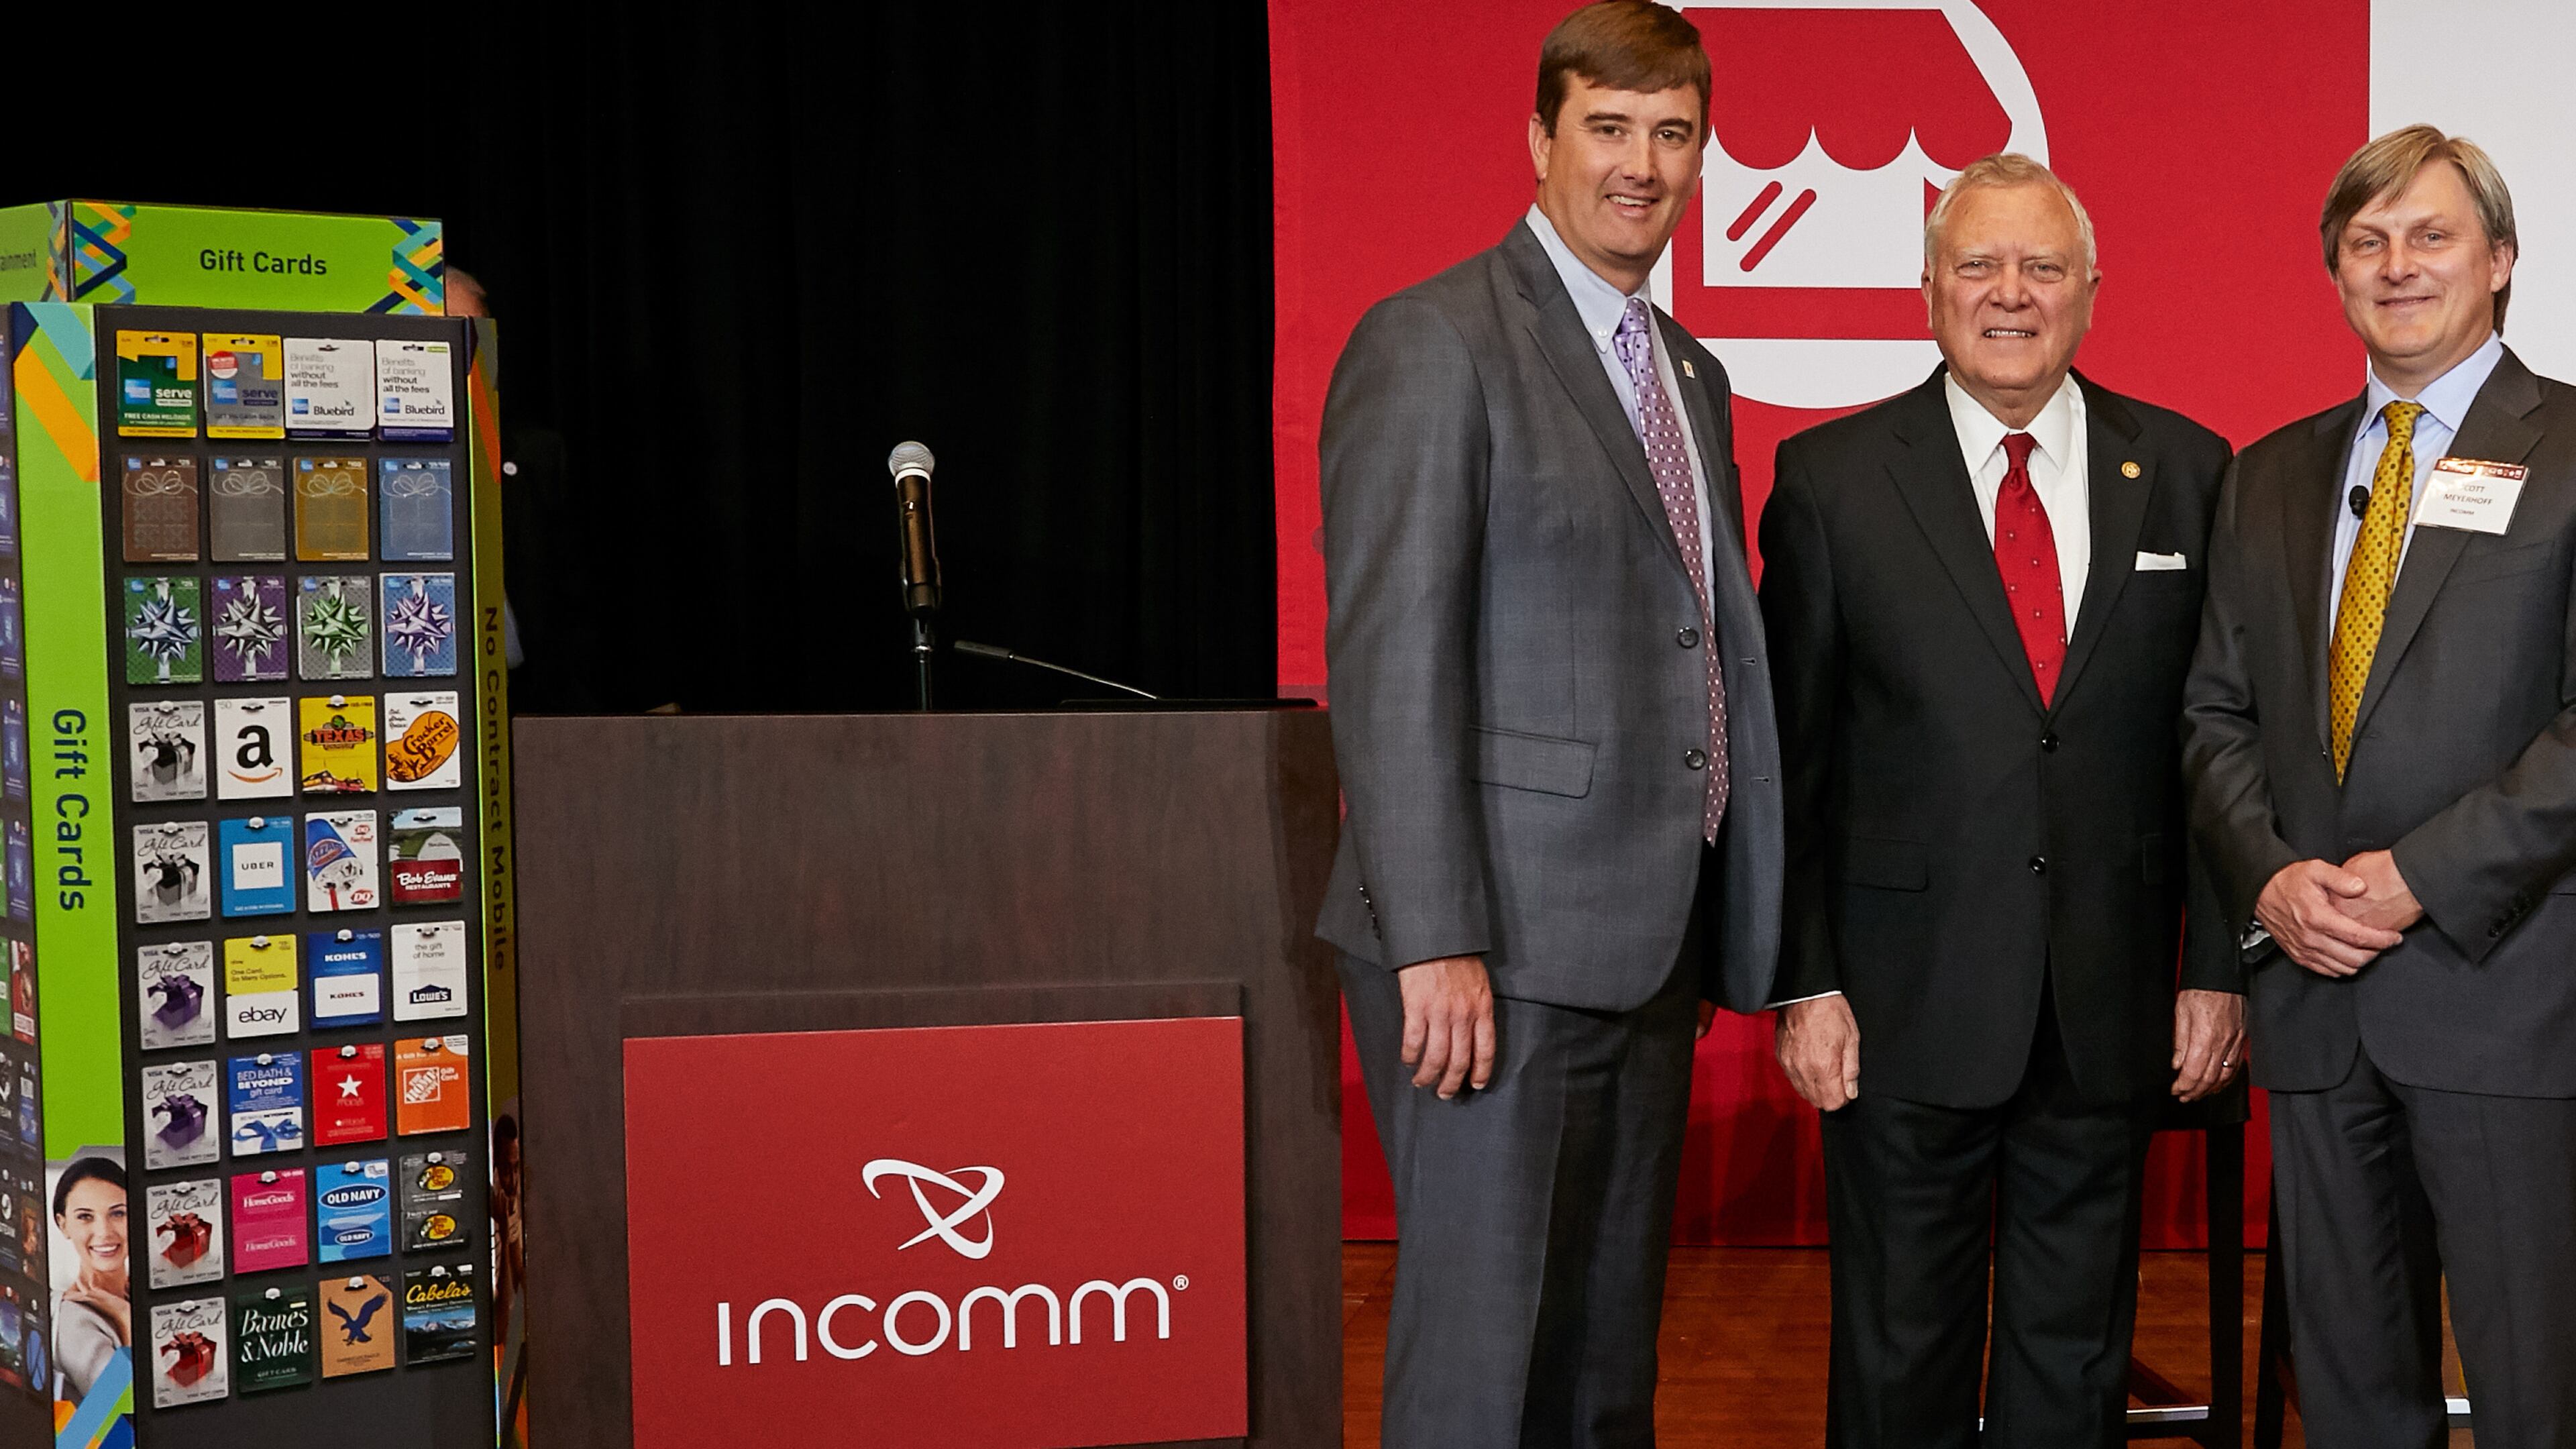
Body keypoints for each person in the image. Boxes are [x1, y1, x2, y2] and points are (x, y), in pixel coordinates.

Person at [1316, 3, 1781, 1441]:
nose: (1642, 163)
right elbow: (1393, 663)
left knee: (1595, 1374)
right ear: (1539, 140)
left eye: (1673, 132)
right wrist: (1436, 938)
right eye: (1608, 127)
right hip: (1490, 958)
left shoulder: (1687, 373)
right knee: (1479, 1380)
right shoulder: (1433, 341)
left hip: (1638, 949)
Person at [1762, 154, 2241, 1448]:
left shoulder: (2192, 471)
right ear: (1927, 291)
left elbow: (2220, 749)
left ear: (2091, 290)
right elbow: (1789, 759)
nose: (2010, 294)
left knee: (2072, 1357)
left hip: (2109, 1003)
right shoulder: (1832, 479)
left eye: (2042, 266)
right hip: (1899, 1008)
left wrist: (2222, 971)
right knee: (1897, 1356)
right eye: (1978, 265)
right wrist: (1801, 980)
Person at [2182, 125, 2576, 1449]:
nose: (2398, 265)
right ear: (2336, 274)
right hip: (2316, 1001)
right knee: (2350, 1401)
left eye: (2431, 235)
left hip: (2508, 1000)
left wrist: (2419, 878)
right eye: (2368, 242)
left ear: (2502, 260)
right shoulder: (2271, 476)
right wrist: (2274, 879)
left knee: (2539, 1393)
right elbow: (2215, 715)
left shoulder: (2574, 447)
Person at [50, 1157, 127, 1403]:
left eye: (117, 1213)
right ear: (63, 1225)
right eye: (85, 1217)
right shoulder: (74, 1321)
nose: (104, 1232)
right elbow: (119, 1411)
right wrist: (126, 1320)